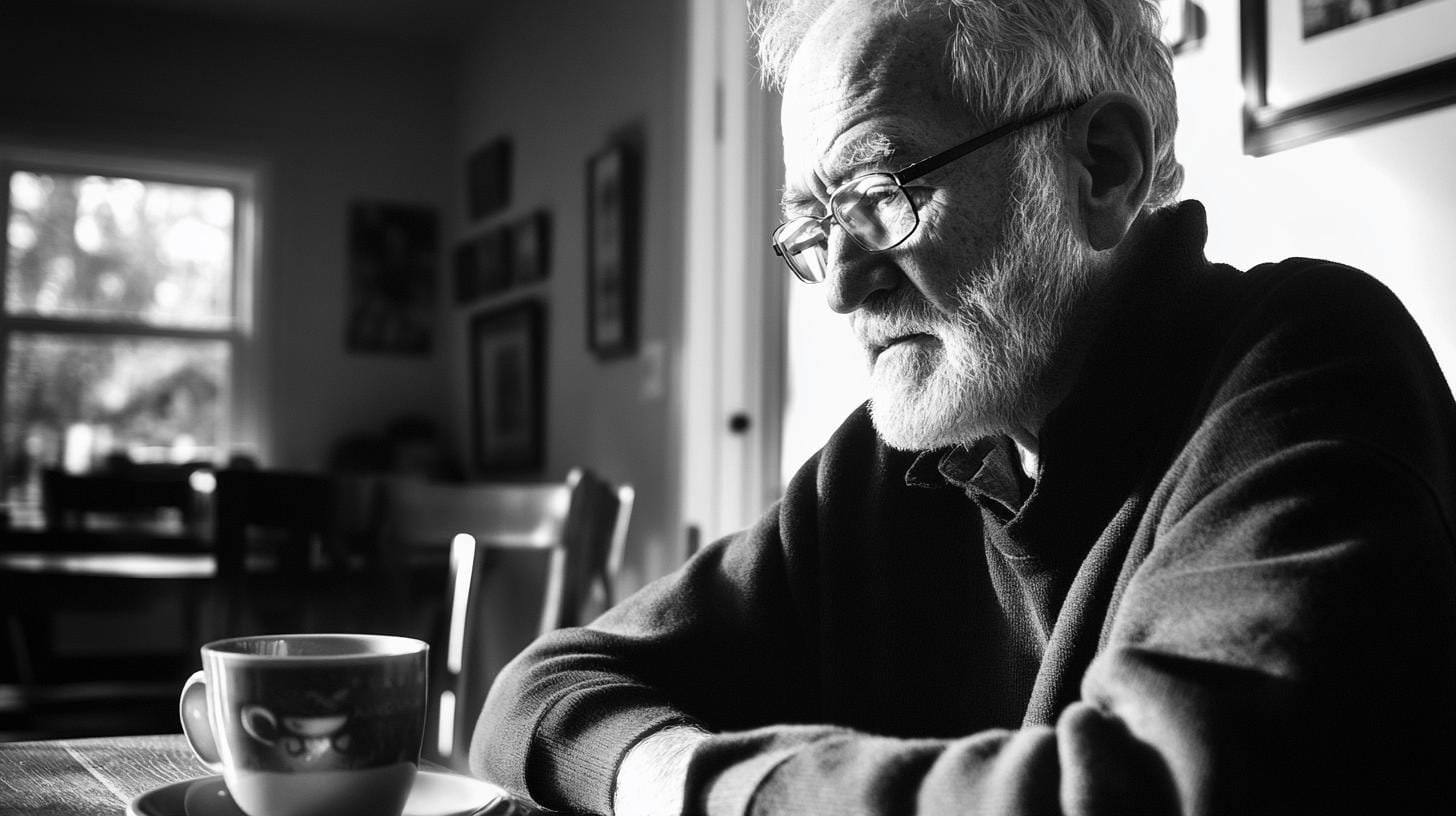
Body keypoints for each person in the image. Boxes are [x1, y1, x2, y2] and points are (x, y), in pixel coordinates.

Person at [472, 1, 1456, 813]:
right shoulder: (902, 459)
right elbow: (536, 692)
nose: (841, 288)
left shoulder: (1311, 363)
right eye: (813, 228)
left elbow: (1156, 795)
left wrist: (708, 790)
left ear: (1102, 164)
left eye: (880, 191)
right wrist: (671, 777)